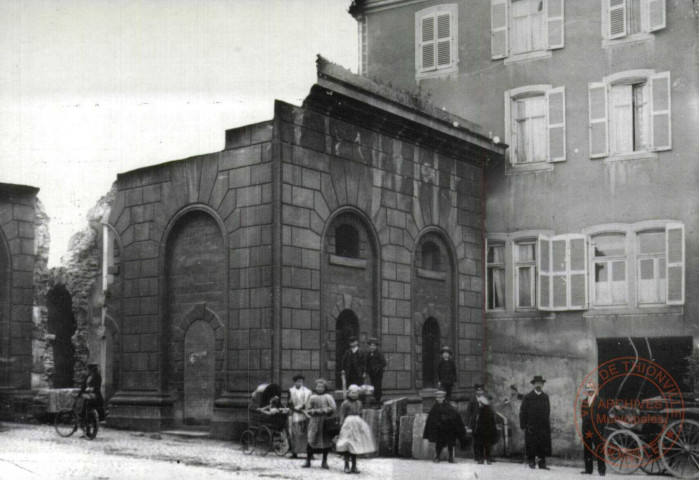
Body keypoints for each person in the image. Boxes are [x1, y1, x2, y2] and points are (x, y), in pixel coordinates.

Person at [335, 384, 377, 474]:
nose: (354, 395)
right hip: (348, 423)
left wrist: (362, 425)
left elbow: (360, 414)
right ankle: (346, 465)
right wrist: (341, 424)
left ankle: (354, 466)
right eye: (352, 393)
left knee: (356, 445)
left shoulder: (359, 403)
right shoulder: (345, 403)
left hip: (357, 422)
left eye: (356, 393)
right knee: (347, 444)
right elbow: (342, 414)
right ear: (349, 393)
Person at [423, 390, 468, 463]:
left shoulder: (449, 407)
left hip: (448, 429)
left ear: (444, 398)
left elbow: (455, 415)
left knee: (451, 443)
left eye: (441, 398)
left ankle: (451, 458)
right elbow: (431, 419)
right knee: (439, 443)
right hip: (439, 430)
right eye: (438, 398)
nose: (439, 399)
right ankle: (437, 457)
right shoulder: (434, 408)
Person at [520, 375, 552, 470]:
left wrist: (547, 424)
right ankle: (531, 461)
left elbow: (548, 411)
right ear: (534, 385)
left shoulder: (545, 397)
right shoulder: (528, 397)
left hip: (542, 425)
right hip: (531, 425)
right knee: (531, 443)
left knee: (542, 443)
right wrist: (523, 425)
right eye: (536, 383)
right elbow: (523, 412)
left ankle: (542, 463)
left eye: (540, 383)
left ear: (542, 385)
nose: (538, 385)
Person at [304, 379, 337, 469]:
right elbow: (308, 409)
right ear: (315, 387)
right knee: (311, 438)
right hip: (314, 421)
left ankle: (324, 461)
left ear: (325, 388)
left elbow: (333, 408)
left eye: (321, 387)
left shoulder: (328, 397)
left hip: (325, 421)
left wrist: (325, 410)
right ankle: (308, 460)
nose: (319, 388)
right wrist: (313, 411)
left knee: (325, 440)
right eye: (318, 386)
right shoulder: (312, 397)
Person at [580, 381, 606, 476]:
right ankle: (588, 469)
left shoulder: (600, 401)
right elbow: (582, 416)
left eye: (592, 390)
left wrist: (600, 429)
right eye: (588, 390)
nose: (590, 391)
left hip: (597, 430)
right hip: (587, 430)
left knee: (599, 449)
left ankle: (602, 470)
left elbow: (604, 416)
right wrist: (584, 430)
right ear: (586, 391)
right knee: (587, 449)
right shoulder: (584, 401)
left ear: (594, 390)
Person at [288, 374, 312, 459]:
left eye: (301, 381)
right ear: (295, 382)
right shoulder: (291, 391)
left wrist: (304, 408)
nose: (299, 383)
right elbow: (289, 403)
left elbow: (309, 402)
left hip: (305, 413)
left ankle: (309, 453)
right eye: (298, 381)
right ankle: (295, 452)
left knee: (306, 432)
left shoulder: (307, 391)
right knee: (295, 433)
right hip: (295, 413)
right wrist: (295, 409)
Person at [469, 394, 499, 464]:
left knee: (483, 445)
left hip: (483, 431)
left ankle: (483, 459)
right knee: (485, 445)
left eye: (480, 403)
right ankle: (486, 459)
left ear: (482, 404)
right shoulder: (488, 411)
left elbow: (480, 421)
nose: (479, 404)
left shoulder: (483, 411)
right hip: (485, 431)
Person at [364, 337, 387, 404]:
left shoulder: (379, 353)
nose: (372, 347)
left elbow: (384, 363)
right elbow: (367, 363)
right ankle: (375, 400)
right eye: (371, 345)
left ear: (376, 346)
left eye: (374, 345)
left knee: (377, 387)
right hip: (371, 373)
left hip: (378, 374)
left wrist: (378, 368)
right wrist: (366, 371)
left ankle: (378, 401)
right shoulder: (368, 354)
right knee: (373, 386)